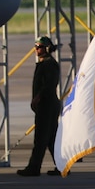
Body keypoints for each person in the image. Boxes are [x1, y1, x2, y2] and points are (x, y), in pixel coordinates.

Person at [17, 35, 62, 176]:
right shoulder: (44, 64)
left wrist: (38, 97)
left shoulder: (49, 65)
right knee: (50, 139)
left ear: (47, 48)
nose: (37, 49)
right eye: (36, 47)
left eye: (40, 47)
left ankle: (34, 167)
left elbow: (49, 85)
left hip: (47, 105)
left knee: (41, 138)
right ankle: (62, 166)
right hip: (45, 105)